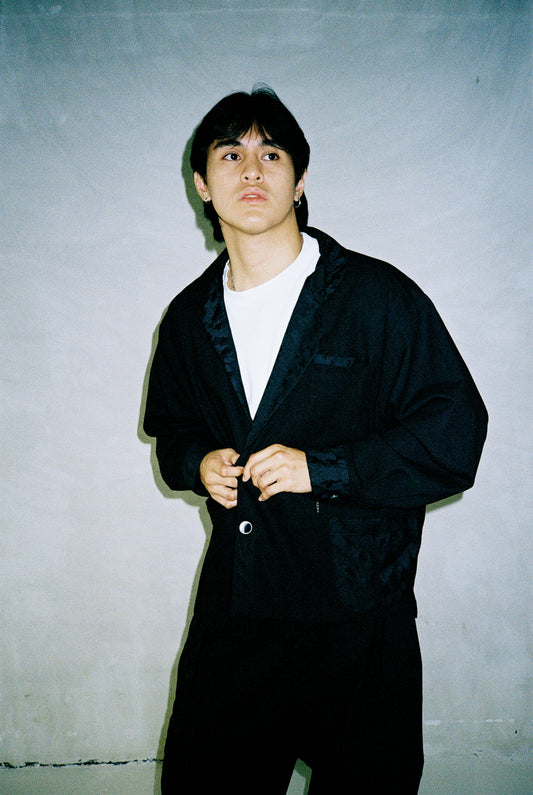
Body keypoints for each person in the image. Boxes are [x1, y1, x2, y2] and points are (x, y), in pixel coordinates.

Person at [143, 85, 488, 794]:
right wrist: (196, 460)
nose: (251, 169)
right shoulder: (187, 319)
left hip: (358, 616)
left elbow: (454, 433)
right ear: (202, 184)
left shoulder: (376, 297)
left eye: (271, 154)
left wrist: (325, 468)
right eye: (230, 154)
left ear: (299, 181)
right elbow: (171, 432)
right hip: (237, 611)